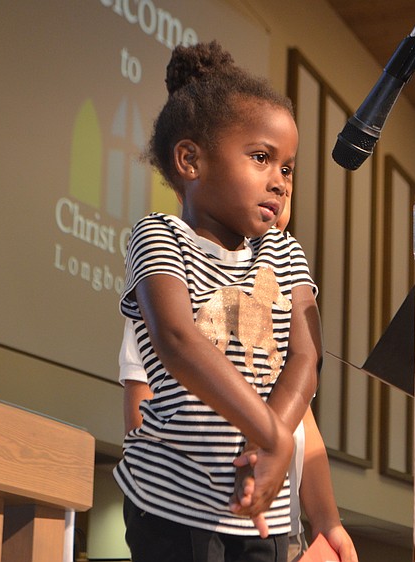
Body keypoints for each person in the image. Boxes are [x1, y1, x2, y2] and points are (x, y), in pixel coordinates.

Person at [115, 40, 319, 561]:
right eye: (261, 158)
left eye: (288, 168)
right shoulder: (159, 235)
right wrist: (272, 436)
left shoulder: (284, 252)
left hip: (260, 511)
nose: (279, 180)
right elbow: (178, 338)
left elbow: (304, 356)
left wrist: (271, 443)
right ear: (190, 160)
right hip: (170, 502)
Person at [119, 185, 357, 561]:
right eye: (259, 160)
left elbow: (303, 427)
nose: (277, 188)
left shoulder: (282, 274)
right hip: (186, 505)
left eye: (286, 174)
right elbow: (141, 406)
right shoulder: (168, 286)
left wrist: (326, 520)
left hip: (269, 520)